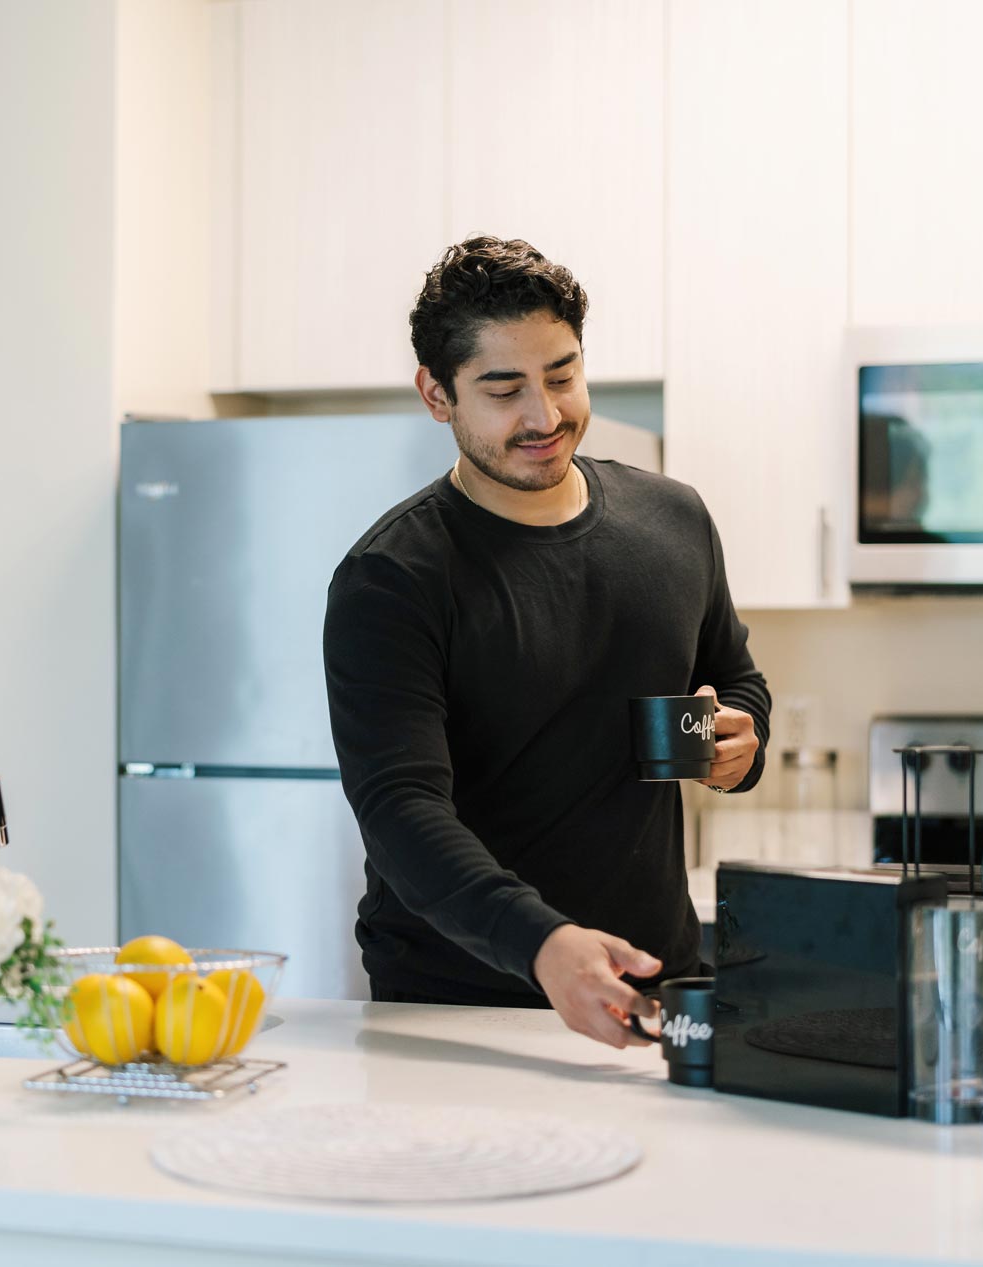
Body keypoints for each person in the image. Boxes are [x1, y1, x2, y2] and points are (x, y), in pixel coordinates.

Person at [322, 237, 771, 1049]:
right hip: (457, 1009)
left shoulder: (675, 520)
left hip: (650, 988)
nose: (545, 414)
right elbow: (400, 812)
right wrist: (541, 943)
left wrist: (742, 738)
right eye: (504, 389)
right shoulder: (392, 577)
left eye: (562, 376)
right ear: (437, 394)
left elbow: (735, 680)